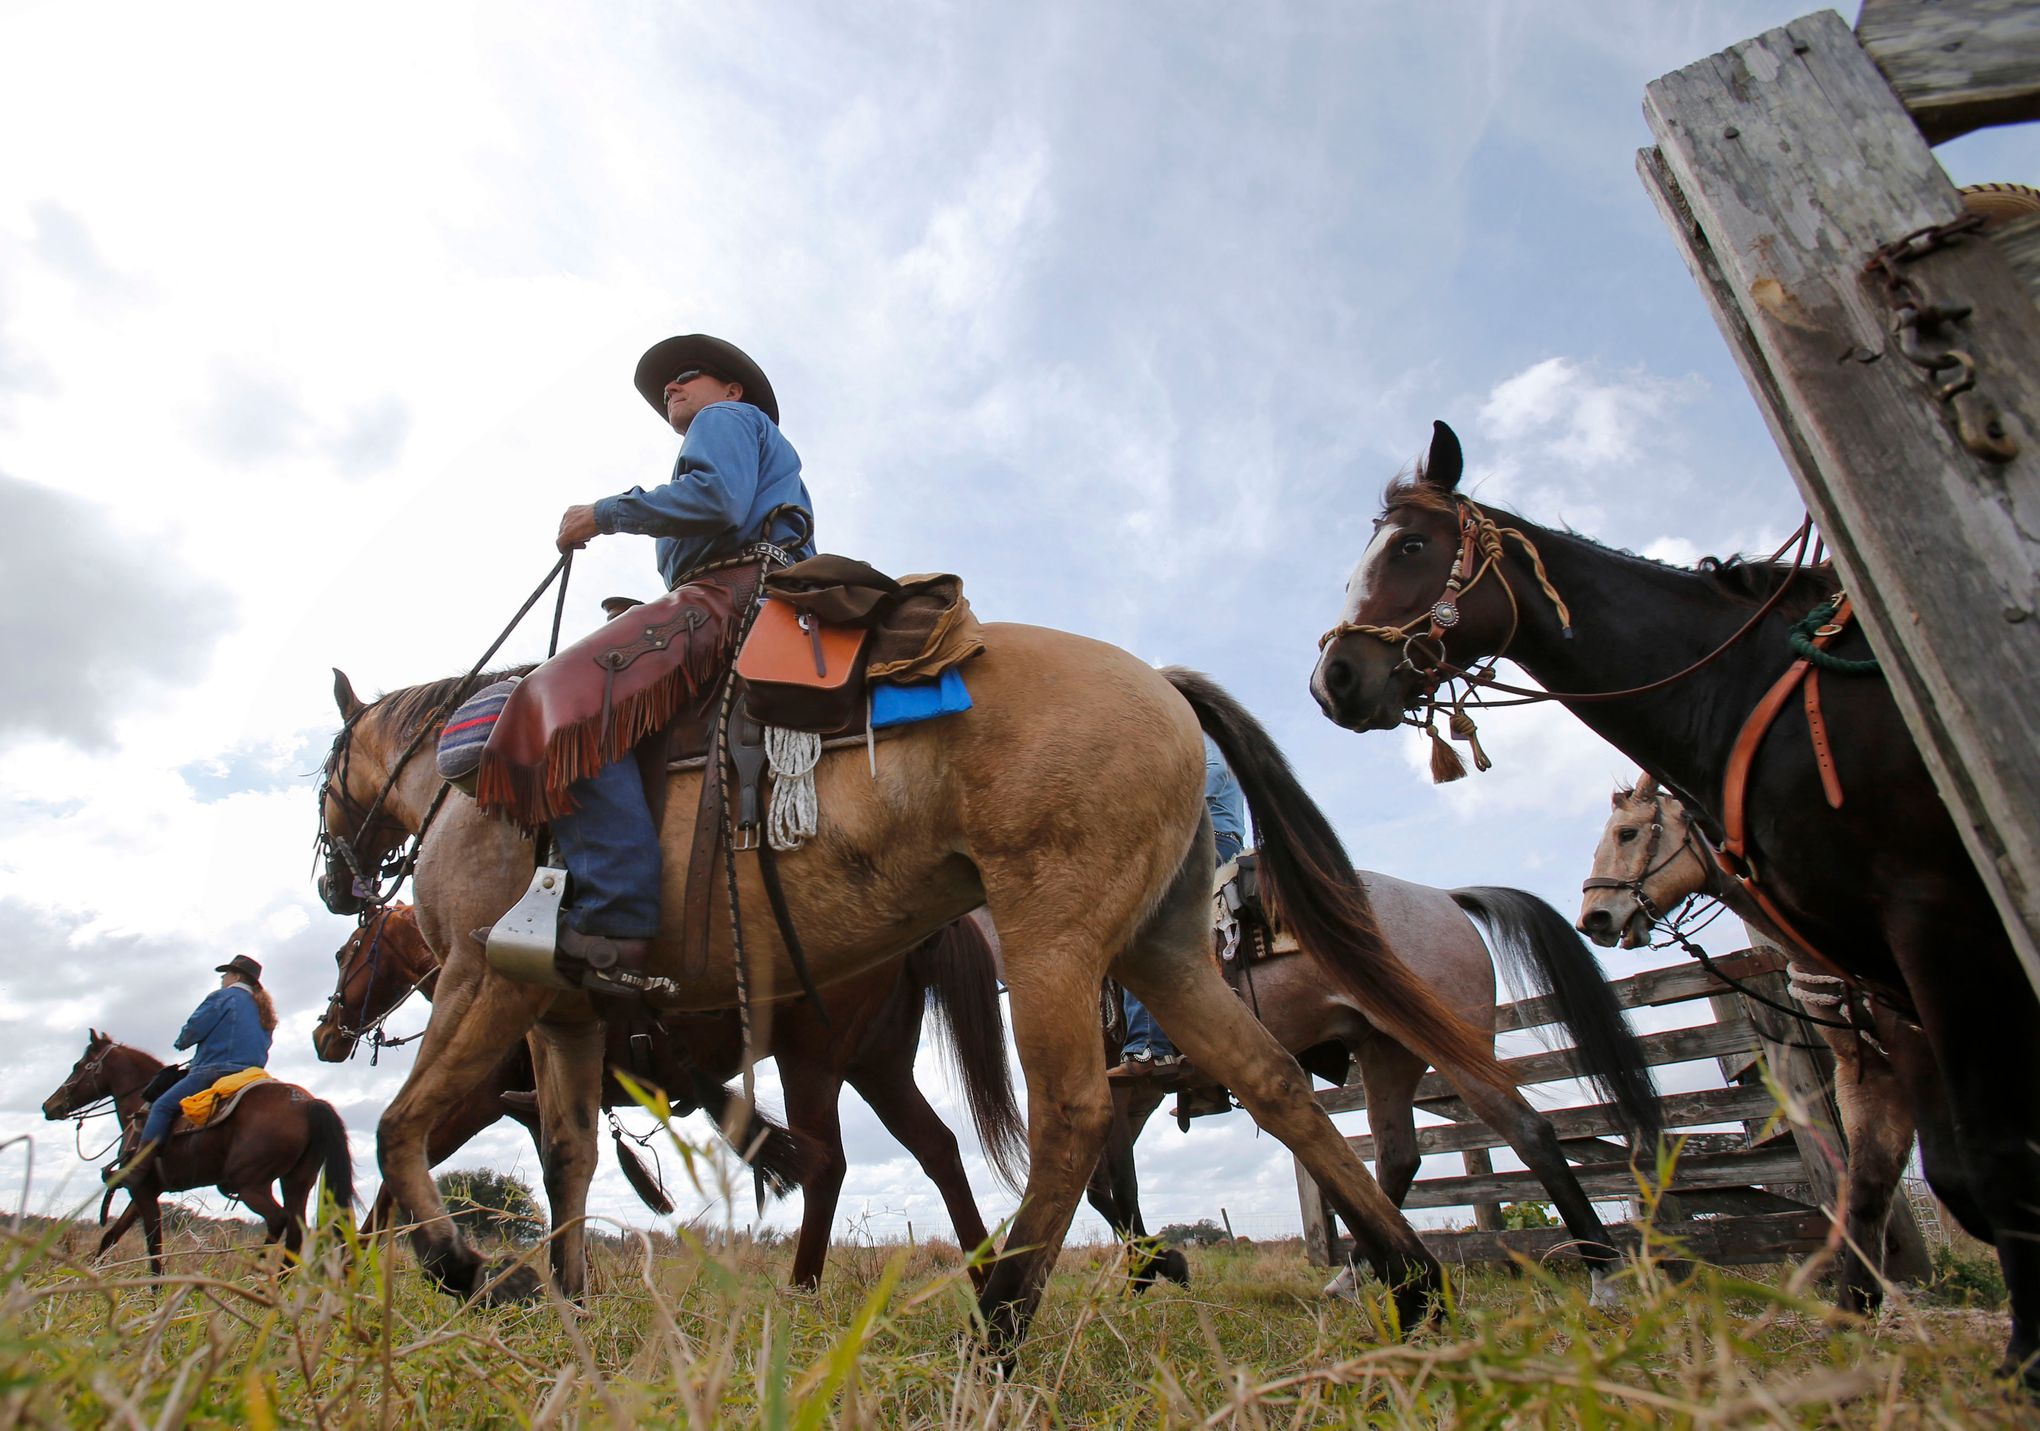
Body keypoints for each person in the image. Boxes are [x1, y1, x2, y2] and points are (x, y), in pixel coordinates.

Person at [546, 334, 815, 995]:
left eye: (687, 377)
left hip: (728, 594)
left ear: (731, 391)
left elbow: (717, 501)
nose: (671, 388)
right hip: (746, 592)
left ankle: (612, 919)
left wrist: (604, 513)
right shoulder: (738, 430)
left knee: (565, 706)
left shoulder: (724, 421)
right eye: (666, 387)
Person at [1110, 735, 1247, 1078]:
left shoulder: (1198, 735)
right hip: (1215, 837)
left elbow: (1214, 772)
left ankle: (1149, 1048)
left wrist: (1165, 814)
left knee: (1141, 924)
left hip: (1209, 839)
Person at [111, 954, 276, 1178]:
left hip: (215, 1070)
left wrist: (182, 1042)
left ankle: (139, 1167)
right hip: (252, 1076)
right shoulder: (263, 1009)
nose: (223, 979)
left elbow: (194, 1028)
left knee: (161, 1106)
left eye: (225, 974)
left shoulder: (223, 997)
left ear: (236, 976)